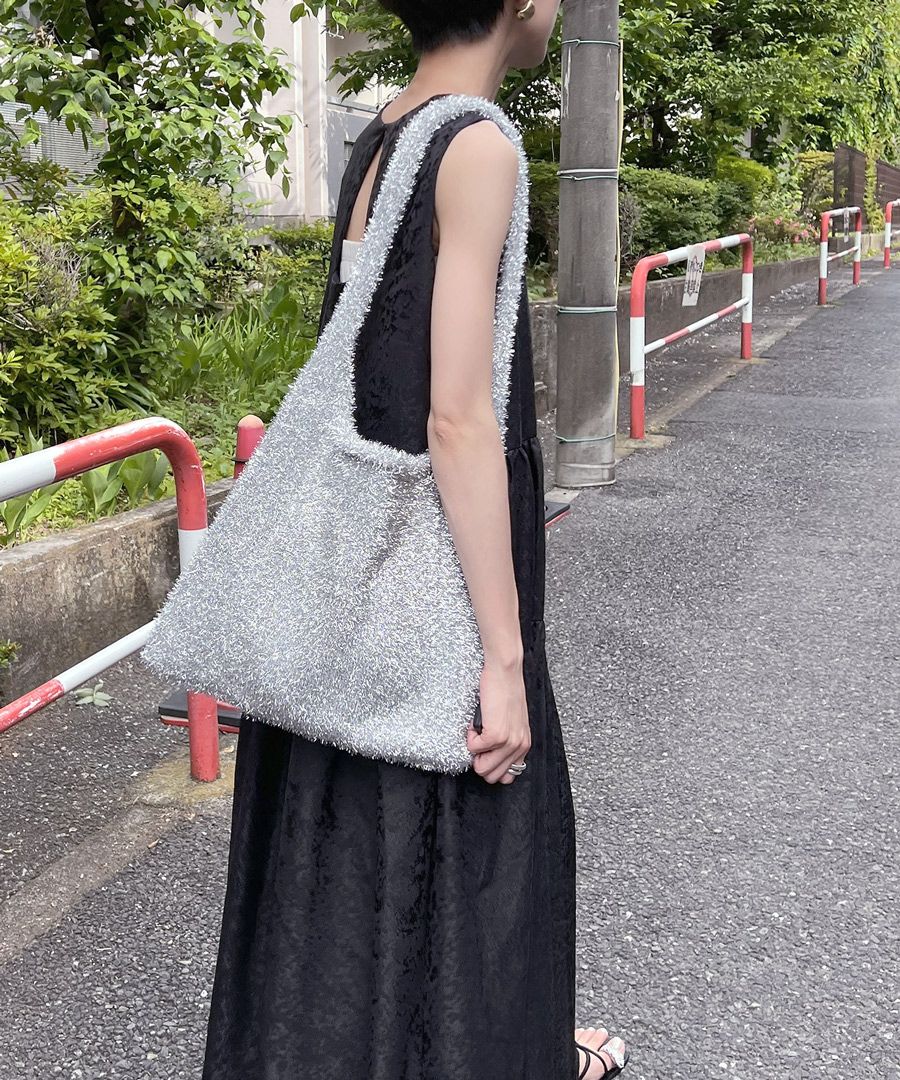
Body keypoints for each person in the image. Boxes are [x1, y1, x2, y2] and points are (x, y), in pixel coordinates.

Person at [200, 2, 630, 1078]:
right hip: (436, 557)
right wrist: (504, 654)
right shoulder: (477, 144)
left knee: (345, 838)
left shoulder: (387, 130)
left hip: (360, 565)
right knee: (473, 807)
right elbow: (457, 415)